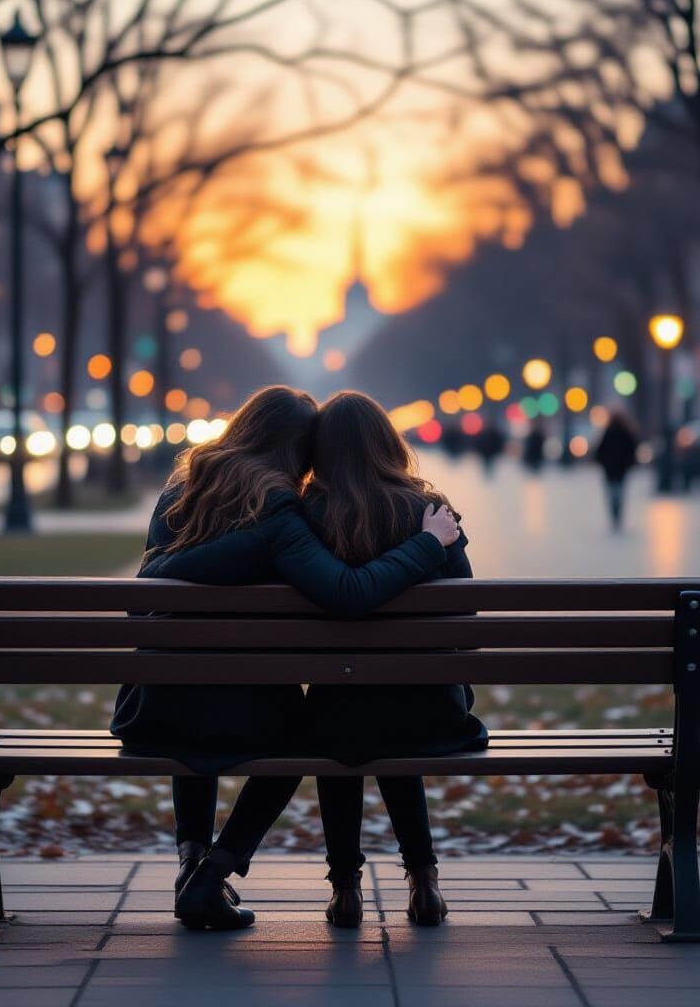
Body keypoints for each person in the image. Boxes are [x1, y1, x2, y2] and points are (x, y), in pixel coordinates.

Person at [110, 385, 462, 930]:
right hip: (261, 714)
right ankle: (216, 873)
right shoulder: (279, 516)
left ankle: (194, 864)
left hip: (152, 709)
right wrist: (426, 545)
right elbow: (354, 595)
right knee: (312, 731)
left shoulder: (180, 491)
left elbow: (148, 586)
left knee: (224, 688)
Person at [302, 391, 488, 928]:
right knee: (396, 708)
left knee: (351, 718)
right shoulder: (431, 512)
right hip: (433, 716)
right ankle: (423, 880)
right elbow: (467, 619)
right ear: (388, 442)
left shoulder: (309, 516)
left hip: (338, 720)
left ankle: (344, 890)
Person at [593, 409, 639, 530]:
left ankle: (614, 514)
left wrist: (602, 462)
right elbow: (632, 450)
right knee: (620, 491)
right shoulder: (627, 433)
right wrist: (629, 463)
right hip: (621, 469)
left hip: (609, 469)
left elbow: (600, 451)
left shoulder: (607, 433)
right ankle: (618, 514)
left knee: (612, 492)